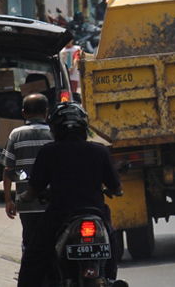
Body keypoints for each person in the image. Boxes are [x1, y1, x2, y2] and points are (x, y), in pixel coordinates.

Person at [16, 102, 124, 287]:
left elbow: (34, 189)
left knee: (33, 257)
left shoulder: (49, 151)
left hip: (61, 215)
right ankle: (110, 279)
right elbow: (116, 187)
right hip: (96, 213)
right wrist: (115, 191)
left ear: (55, 128)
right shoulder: (100, 151)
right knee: (111, 238)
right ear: (84, 126)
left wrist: (25, 197)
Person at [0, 94, 53, 251]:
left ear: (23, 113)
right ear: (46, 113)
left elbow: (8, 169)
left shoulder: (16, 135)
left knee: (30, 244)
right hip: (52, 204)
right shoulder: (54, 134)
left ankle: (29, 273)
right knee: (52, 242)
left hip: (26, 204)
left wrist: (8, 200)